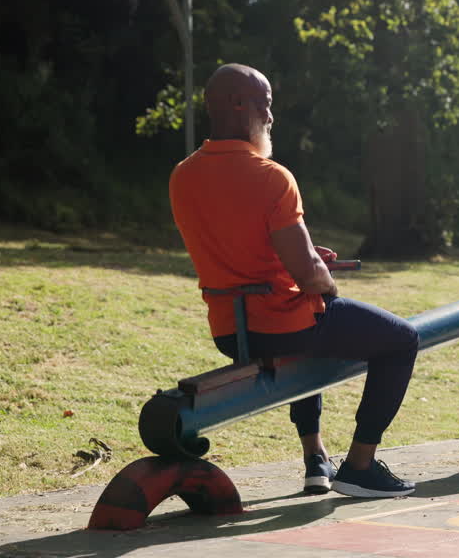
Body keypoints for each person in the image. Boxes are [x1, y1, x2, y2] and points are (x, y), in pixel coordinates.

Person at [169, 63, 420, 497]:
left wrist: (299, 269)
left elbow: (241, 250)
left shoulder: (183, 175)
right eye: (265, 105)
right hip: (282, 326)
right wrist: (323, 280)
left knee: (309, 322)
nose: (270, 116)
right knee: (399, 339)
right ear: (238, 104)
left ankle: (315, 457)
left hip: (230, 330)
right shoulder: (272, 177)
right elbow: (309, 273)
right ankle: (360, 464)